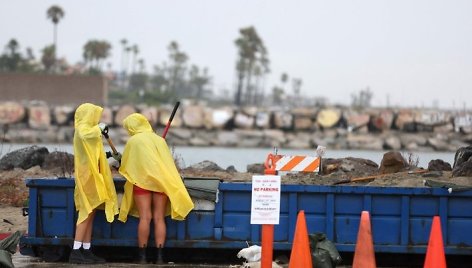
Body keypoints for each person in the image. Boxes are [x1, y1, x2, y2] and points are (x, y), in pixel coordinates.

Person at [118, 113, 194, 264]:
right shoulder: (159, 140)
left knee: (145, 218)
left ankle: (142, 257)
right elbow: (167, 163)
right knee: (159, 218)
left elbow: (126, 165)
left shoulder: (133, 141)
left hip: (141, 183)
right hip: (161, 183)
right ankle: (160, 258)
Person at [68, 103, 119, 264]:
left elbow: (94, 153)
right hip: (87, 175)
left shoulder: (91, 131)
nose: (97, 119)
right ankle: (75, 251)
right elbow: (84, 135)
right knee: (86, 211)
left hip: (94, 174)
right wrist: (99, 128)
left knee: (93, 211)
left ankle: (86, 248)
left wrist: (111, 155)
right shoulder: (83, 128)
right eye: (95, 115)